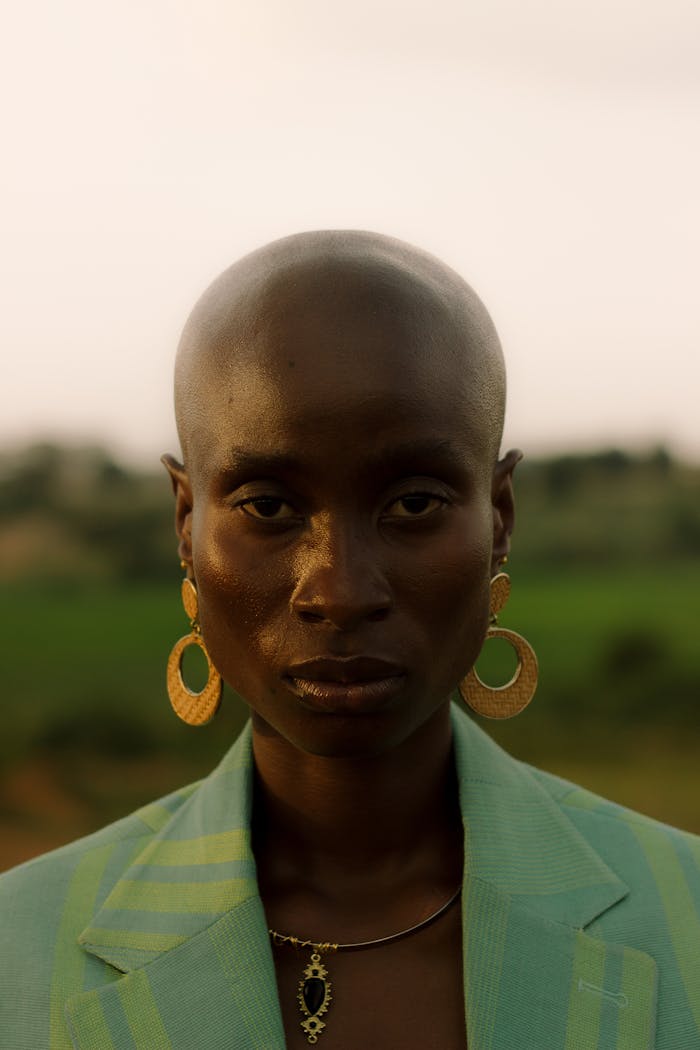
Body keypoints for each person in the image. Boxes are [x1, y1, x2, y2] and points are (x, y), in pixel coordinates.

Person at [1, 231, 698, 1050]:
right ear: (187, 522)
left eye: (412, 504)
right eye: (268, 506)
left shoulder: (681, 918)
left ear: (499, 515)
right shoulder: (21, 950)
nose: (338, 591)